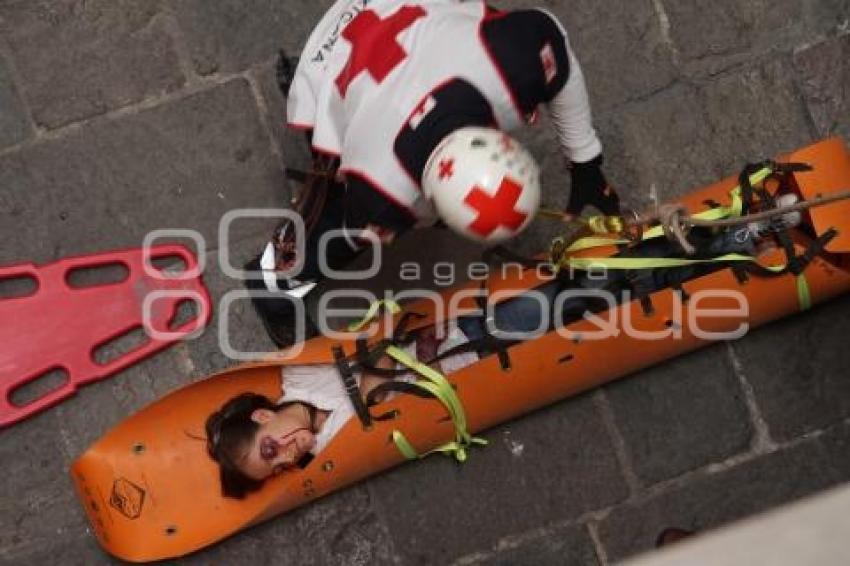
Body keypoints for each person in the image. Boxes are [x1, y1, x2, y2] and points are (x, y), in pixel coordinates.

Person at [208, 208, 802, 498]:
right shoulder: (330, 449)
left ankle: (728, 241)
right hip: (491, 372)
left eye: (270, 448)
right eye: (278, 467)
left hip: (480, 329)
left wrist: (377, 340)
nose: (288, 457)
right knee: (609, 311)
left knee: (594, 292)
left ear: (264, 414)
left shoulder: (303, 376)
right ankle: (723, 251)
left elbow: (374, 326)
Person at [246, 0, 620, 348]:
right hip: (332, 64)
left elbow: (558, 51)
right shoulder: (380, 191)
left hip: (393, 14)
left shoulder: (512, 58)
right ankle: (271, 279)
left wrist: (585, 159)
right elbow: (365, 224)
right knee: (331, 225)